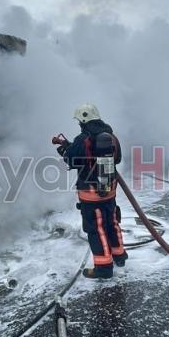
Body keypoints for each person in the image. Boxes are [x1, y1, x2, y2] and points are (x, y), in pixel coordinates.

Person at [58, 103, 126, 279]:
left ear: (84, 120)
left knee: (96, 229)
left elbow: (72, 160)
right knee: (112, 222)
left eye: (80, 121)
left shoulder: (83, 138)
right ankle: (119, 256)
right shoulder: (111, 136)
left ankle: (103, 268)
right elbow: (117, 159)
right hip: (109, 190)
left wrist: (64, 151)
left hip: (91, 194)